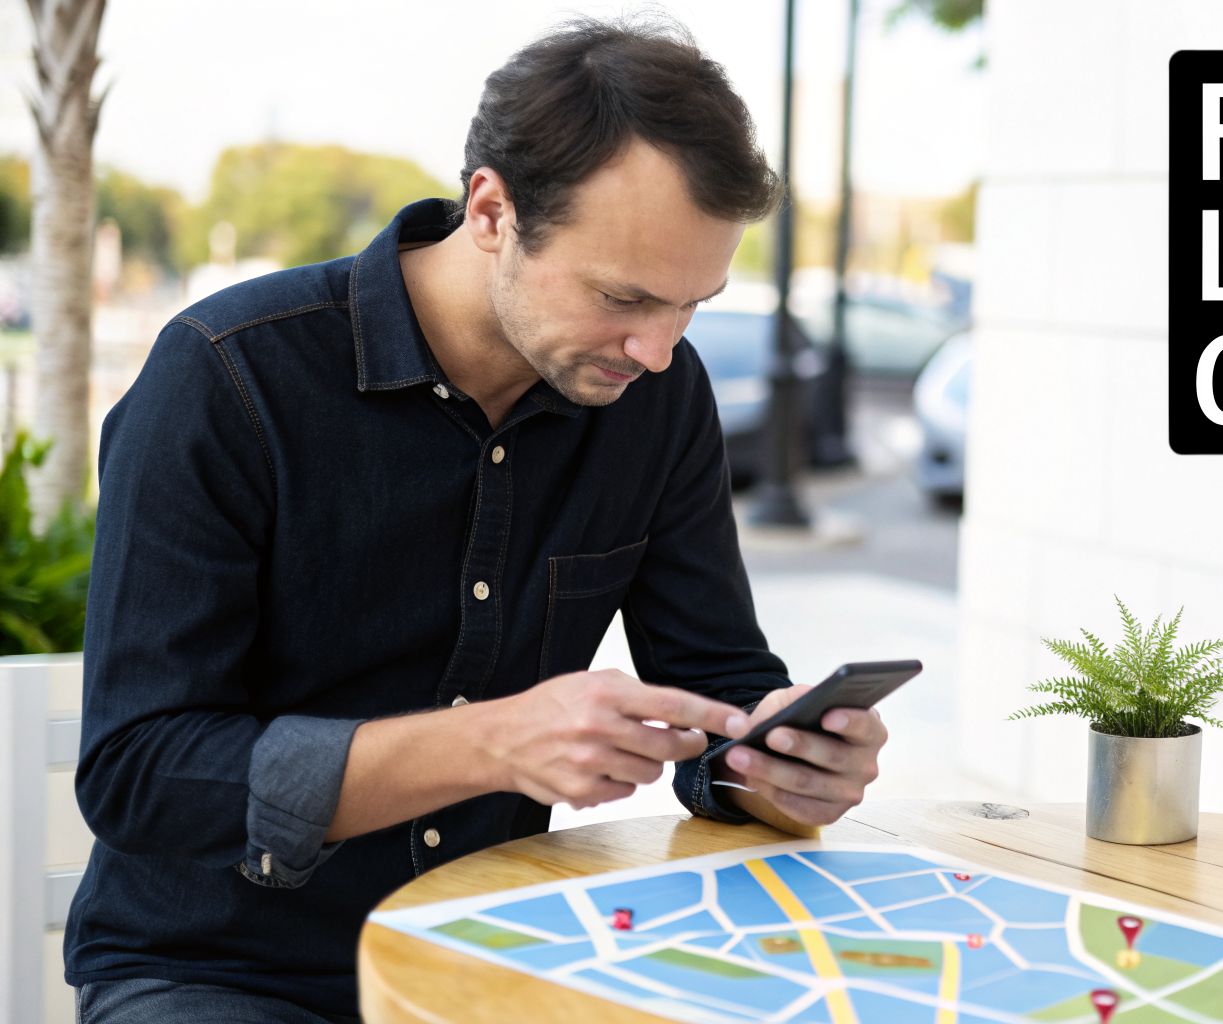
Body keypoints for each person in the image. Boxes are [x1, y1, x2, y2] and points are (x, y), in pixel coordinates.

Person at [63, 17, 888, 1023]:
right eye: (623, 296)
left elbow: (720, 685)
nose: (660, 350)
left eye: (691, 305)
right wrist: (496, 744)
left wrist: (783, 763)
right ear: (491, 210)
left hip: (508, 948)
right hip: (220, 973)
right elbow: (141, 773)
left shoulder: (656, 397)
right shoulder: (226, 376)